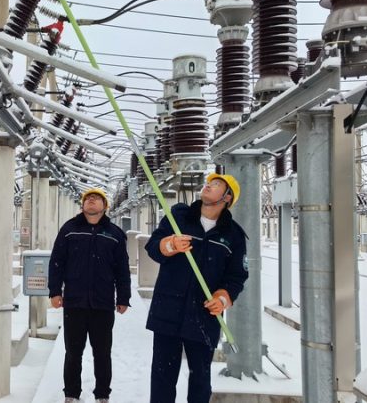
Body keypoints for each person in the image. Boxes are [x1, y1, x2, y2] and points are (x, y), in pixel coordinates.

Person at [145, 173, 249, 403]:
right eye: (209, 183)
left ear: (227, 198)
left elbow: (237, 276)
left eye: (216, 185)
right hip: (168, 311)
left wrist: (222, 298)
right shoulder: (179, 217)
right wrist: (169, 244)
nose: (208, 186)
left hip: (203, 316)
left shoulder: (233, 235)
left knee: (200, 380)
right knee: (162, 376)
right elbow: (152, 246)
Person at [48, 188, 132, 403]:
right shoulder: (69, 229)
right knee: (73, 352)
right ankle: (71, 394)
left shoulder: (114, 234)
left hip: (102, 303)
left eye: (97, 199)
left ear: (105, 206)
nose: (91, 201)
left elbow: (122, 268)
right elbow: (57, 262)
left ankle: (102, 395)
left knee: (102, 353)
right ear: (82, 205)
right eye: (88, 198)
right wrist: (55, 291)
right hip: (74, 302)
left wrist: (123, 297)